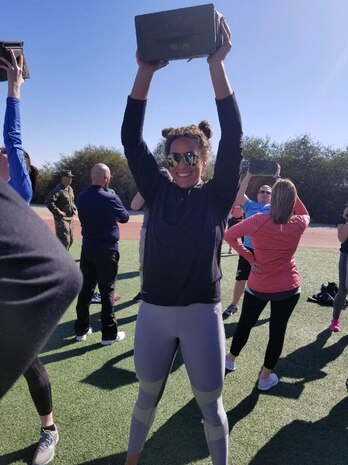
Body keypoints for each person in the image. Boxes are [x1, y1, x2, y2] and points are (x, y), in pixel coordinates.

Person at [121, 17, 242, 465]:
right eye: (175, 157)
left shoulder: (216, 195)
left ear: (204, 158)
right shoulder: (156, 190)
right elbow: (130, 139)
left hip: (200, 313)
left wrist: (217, 65)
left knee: (210, 405)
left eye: (191, 156)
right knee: (145, 398)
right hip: (153, 311)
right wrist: (145, 72)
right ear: (167, 160)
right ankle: (132, 459)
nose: (183, 163)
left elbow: (234, 136)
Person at [0, 50, 82, 465]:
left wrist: (14, 91)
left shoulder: (18, 190)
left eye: (6, 154)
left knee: (30, 368)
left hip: (7, 304)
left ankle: (48, 429)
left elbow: (13, 140)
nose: (1, 151)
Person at [224, 179, 310, 390]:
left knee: (245, 323)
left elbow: (229, 235)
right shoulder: (298, 222)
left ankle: (230, 359)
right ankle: (265, 378)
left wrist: (250, 258)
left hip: (259, 285)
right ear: (291, 201)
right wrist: (291, 192)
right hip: (289, 287)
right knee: (277, 332)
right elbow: (305, 212)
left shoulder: (259, 220)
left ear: (274, 199)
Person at [74, 163, 129, 345]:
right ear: (106, 178)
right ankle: (108, 334)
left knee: (86, 289)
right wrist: (113, 216)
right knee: (107, 291)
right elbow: (126, 217)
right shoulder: (110, 198)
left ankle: (81, 330)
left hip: (88, 249)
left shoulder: (81, 197)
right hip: (107, 251)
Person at [223, 168, 280, 316]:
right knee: (241, 278)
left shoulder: (275, 208)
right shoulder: (249, 205)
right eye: (262, 191)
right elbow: (239, 194)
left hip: (267, 251)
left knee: (270, 280)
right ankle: (234, 305)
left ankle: (275, 307)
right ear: (257, 194)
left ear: (272, 196)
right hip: (248, 249)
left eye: (268, 192)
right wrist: (249, 175)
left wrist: (277, 177)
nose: (265, 194)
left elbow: (288, 196)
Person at [130, 167, 172, 303]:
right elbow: (134, 205)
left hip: (168, 233)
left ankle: (166, 291)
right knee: (145, 264)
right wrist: (147, 184)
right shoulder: (149, 190)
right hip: (148, 231)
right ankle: (145, 291)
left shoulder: (173, 191)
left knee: (168, 264)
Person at [45, 169, 77, 250]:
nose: (71, 179)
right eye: (68, 177)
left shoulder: (70, 189)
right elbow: (48, 201)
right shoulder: (58, 189)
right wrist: (58, 212)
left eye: (71, 177)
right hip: (61, 219)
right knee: (65, 241)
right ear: (63, 178)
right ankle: (61, 259)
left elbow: (71, 201)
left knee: (71, 240)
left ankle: (62, 257)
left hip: (70, 218)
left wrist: (73, 207)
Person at [329, 203, 348, 332]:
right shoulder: (342, 219)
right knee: (343, 289)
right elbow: (342, 238)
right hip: (346, 256)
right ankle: (335, 320)